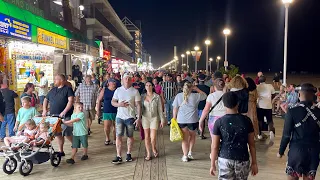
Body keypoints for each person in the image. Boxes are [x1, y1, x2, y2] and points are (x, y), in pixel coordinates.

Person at [210, 92, 258, 179]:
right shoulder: (246, 120)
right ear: (238, 103)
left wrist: (212, 164)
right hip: (242, 157)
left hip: (225, 157)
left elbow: (214, 146)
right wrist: (254, 162)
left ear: (224, 104)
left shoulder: (219, 122)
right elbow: (252, 144)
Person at [278, 83, 320, 180]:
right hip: (313, 153)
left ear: (299, 95)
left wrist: (281, 151)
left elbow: (286, 135)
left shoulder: (292, 111)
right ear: (313, 95)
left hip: (296, 152)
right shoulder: (318, 112)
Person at [172, 81, 207, 162]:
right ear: (191, 88)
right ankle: (190, 152)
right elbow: (205, 95)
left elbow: (175, 108)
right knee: (192, 136)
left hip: (181, 120)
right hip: (193, 120)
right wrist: (197, 88)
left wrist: (174, 117)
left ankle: (185, 156)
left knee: (185, 138)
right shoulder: (196, 96)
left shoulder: (178, 96)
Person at [111, 74, 141, 164]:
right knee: (118, 136)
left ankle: (128, 153)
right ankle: (119, 155)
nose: (127, 80)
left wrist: (138, 117)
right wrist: (119, 104)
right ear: (122, 80)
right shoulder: (118, 90)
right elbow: (113, 102)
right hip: (119, 116)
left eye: (129, 78)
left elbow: (138, 105)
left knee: (130, 136)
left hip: (130, 117)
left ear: (131, 80)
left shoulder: (135, 91)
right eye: (125, 78)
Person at [43, 74, 74, 156]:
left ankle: (75, 144)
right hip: (54, 116)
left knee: (67, 133)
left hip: (65, 115)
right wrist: (44, 110)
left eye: (56, 79)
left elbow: (70, 101)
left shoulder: (68, 89)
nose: (54, 80)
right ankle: (61, 151)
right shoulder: (52, 90)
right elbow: (46, 99)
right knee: (58, 134)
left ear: (62, 80)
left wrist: (64, 111)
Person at [199, 78, 226, 159]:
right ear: (223, 85)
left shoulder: (211, 96)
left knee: (214, 140)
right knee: (225, 138)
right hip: (225, 119)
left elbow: (206, 109)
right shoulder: (228, 95)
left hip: (214, 120)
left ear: (214, 87)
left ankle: (214, 154)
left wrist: (201, 121)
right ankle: (223, 153)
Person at [141, 81, 166, 160]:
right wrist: (137, 117)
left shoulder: (157, 96)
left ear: (152, 87)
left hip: (154, 118)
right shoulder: (142, 97)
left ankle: (154, 147)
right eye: (147, 85)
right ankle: (148, 153)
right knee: (147, 136)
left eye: (150, 85)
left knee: (153, 137)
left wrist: (162, 119)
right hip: (145, 118)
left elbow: (159, 109)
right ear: (145, 87)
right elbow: (139, 108)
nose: (148, 87)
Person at [96, 78, 118, 145]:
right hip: (107, 110)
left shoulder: (118, 90)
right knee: (106, 126)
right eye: (112, 82)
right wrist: (98, 110)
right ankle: (107, 138)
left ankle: (115, 138)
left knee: (116, 126)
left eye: (115, 82)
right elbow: (99, 100)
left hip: (116, 110)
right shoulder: (104, 90)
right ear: (108, 83)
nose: (114, 83)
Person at [256, 76, 276, 143]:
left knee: (260, 120)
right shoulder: (270, 86)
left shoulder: (257, 87)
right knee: (269, 120)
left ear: (259, 80)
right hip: (268, 105)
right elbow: (274, 94)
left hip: (260, 105)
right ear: (265, 80)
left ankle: (259, 134)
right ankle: (271, 131)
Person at [197, 74, 210, 139]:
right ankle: (201, 134)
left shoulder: (195, 87)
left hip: (196, 105)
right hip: (204, 105)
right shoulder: (208, 88)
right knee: (202, 120)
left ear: (198, 79)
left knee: (196, 119)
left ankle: (197, 130)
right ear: (205, 79)